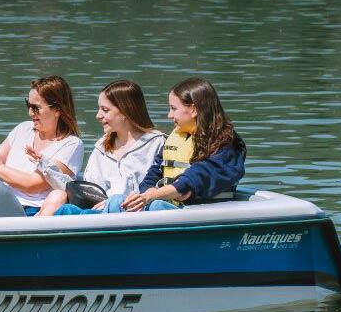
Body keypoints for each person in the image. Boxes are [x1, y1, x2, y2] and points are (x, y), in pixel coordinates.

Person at [103, 77, 246, 213]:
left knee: (156, 206)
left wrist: (153, 196)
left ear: (193, 110)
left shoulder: (226, 145)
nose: (169, 115)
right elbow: (155, 171)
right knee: (116, 201)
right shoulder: (178, 137)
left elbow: (197, 176)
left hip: (199, 212)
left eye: (173, 108)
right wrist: (148, 191)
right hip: (170, 205)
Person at [37, 80, 164, 216]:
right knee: (66, 210)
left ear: (125, 111)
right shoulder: (101, 147)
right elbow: (88, 192)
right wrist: (47, 167)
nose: (98, 116)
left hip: (136, 214)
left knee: (115, 201)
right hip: (100, 214)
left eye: (105, 110)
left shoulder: (157, 143)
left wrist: (112, 203)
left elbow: (160, 189)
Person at [0, 75, 83, 216]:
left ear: (57, 110)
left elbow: (32, 184)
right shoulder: (23, 129)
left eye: (36, 108)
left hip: (35, 210)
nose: (30, 112)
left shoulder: (71, 144)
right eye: (29, 105)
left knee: (58, 195)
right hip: (3, 202)